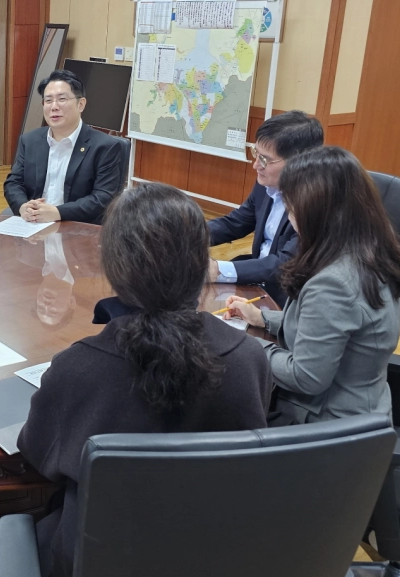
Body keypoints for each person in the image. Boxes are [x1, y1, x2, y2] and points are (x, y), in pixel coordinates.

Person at [19, 182, 272, 577]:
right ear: (198, 263)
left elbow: (37, 457)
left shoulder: (77, 367)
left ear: (115, 266)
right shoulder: (248, 358)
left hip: (95, 560)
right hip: (212, 557)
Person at [225, 146, 400, 424]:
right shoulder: (369, 251)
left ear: (316, 213)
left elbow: (305, 377)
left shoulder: (333, 283)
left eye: (291, 209)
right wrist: (263, 318)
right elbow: (330, 328)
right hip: (362, 411)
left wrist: (244, 343)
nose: (290, 217)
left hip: (327, 428)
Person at [207, 110, 324, 305]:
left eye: (265, 160)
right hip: (256, 274)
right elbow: (236, 222)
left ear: (299, 163)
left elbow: (283, 264)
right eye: (256, 154)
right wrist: (187, 234)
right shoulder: (267, 184)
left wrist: (218, 269)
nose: (255, 166)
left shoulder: (317, 201)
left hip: (288, 294)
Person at [3, 69, 124, 225]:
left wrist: (58, 212)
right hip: (33, 223)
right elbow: (14, 182)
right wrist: (22, 206)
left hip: (77, 226)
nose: (54, 107)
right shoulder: (30, 140)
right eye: (48, 100)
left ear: (81, 104)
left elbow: (103, 198)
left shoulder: (105, 146)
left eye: (61, 99)